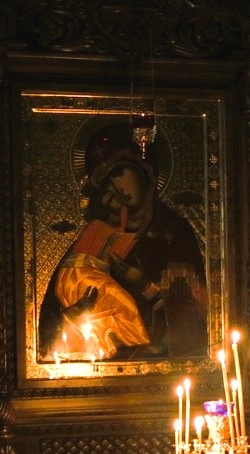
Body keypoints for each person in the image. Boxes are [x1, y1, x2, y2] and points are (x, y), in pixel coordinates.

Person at [37, 122, 208, 360]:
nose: (116, 188)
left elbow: (191, 321)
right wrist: (72, 317)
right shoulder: (97, 239)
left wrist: (145, 286)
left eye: (118, 173)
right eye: (105, 184)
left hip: (159, 371)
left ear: (143, 167)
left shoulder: (175, 234)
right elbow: (50, 322)